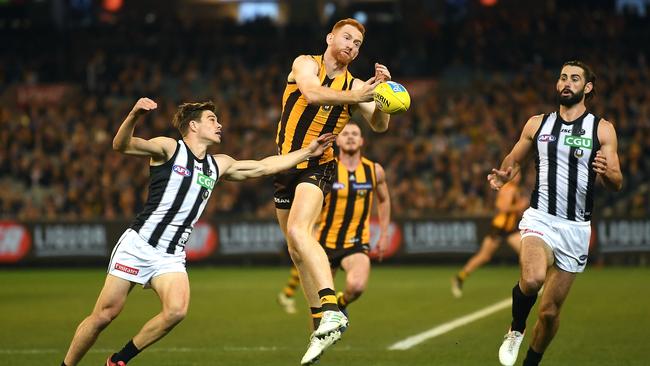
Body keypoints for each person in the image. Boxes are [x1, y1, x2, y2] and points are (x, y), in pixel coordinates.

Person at [61, 98, 335, 366]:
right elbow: (121, 145)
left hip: (171, 255)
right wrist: (133, 115)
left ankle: (119, 360)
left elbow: (263, 166)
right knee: (104, 315)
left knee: (176, 311)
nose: (219, 125)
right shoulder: (169, 148)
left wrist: (307, 152)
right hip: (140, 244)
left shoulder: (219, 164)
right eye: (212, 120)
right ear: (193, 126)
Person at [273, 18, 392, 365]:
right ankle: (320, 328)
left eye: (357, 43)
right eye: (347, 38)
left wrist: (382, 98)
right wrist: (356, 96)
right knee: (296, 251)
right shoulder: (305, 63)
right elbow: (310, 93)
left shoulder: (355, 83)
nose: (352, 46)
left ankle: (331, 308)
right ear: (330, 37)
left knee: (299, 230)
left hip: (319, 164)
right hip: (285, 165)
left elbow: (380, 125)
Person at [490, 61, 622, 366]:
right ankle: (516, 329)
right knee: (533, 278)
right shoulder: (537, 124)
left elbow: (617, 181)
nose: (566, 82)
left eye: (574, 79)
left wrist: (608, 173)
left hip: (576, 229)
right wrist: (505, 173)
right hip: (541, 218)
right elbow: (515, 157)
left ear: (587, 88)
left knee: (549, 313)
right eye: (563, 77)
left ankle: (531, 363)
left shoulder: (602, 129)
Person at [278, 122, 391, 323]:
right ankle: (317, 339)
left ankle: (342, 303)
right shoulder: (326, 170)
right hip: (323, 244)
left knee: (356, 286)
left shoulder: (375, 171)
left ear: (362, 140)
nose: (350, 137)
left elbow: (384, 199)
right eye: (345, 133)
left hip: (355, 242)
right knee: (319, 307)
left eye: (355, 134)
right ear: (337, 139)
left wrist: (384, 234)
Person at [451, 173, 528, 298]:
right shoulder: (510, 188)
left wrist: (520, 207)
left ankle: (529, 282)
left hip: (509, 228)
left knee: (525, 252)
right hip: (499, 227)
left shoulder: (514, 189)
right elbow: (502, 207)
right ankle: (459, 278)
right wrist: (519, 206)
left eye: (519, 175)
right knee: (484, 256)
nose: (518, 177)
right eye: (516, 175)